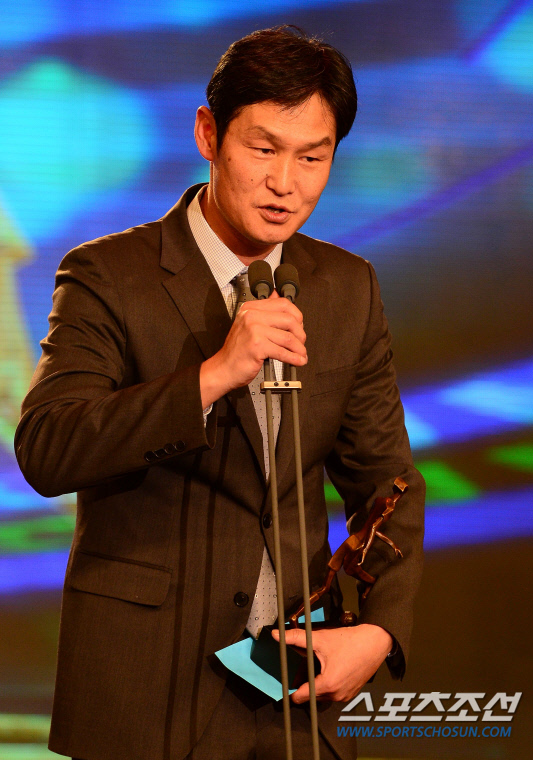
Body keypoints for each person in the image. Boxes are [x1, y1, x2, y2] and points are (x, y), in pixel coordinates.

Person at [15, 26, 425, 760]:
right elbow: (49, 447)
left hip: (294, 694)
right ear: (209, 133)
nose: (286, 183)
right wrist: (213, 375)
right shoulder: (108, 275)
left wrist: (379, 629)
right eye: (263, 149)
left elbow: (386, 482)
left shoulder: (347, 287)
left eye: (312, 157)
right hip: (147, 692)